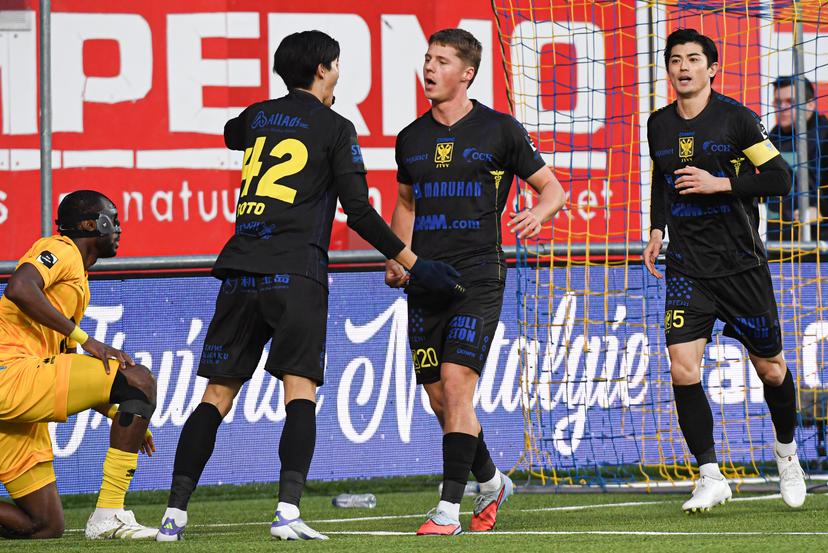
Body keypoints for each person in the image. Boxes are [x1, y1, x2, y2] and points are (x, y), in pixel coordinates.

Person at [157, 30, 464, 542]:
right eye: (337, 65)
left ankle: (173, 517)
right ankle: (286, 513)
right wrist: (412, 259)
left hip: (239, 270)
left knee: (216, 394)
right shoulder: (337, 128)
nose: (339, 74)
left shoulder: (259, 115)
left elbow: (233, 131)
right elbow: (360, 211)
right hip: (295, 271)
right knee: (299, 391)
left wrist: (265, 118)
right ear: (322, 69)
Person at [385, 28, 565, 535]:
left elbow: (552, 189)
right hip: (424, 282)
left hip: (478, 277)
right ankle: (491, 481)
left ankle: (447, 511)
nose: (429, 69)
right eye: (427, 59)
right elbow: (404, 203)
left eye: (441, 61)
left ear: (466, 73)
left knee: (458, 385)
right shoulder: (411, 138)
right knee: (440, 400)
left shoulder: (500, 130)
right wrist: (397, 258)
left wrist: (539, 215)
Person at [642, 29, 807, 513]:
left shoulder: (736, 120)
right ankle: (710, 475)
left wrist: (720, 183)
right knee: (681, 365)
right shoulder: (658, 125)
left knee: (771, 370)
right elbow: (660, 177)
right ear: (669, 69)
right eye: (675, 60)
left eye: (694, 59)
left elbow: (779, 178)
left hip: (740, 266)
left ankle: (786, 456)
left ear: (712, 68)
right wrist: (656, 229)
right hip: (687, 268)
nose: (684, 67)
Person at [0, 190, 158, 539]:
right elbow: (19, 287)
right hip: (11, 376)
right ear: (91, 224)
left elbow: (67, 369)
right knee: (139, 378)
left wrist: (123, 413)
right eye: (113, 220)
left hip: (22, 391)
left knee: (44, 525)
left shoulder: (75, 281)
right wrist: (90, 340)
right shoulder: (61, 249)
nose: (118, 228)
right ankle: (109, 515)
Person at [767, 75, 828, 239]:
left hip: (818, 242)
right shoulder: (773, 136)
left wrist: (821, 210)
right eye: (778, 102)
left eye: (790, 102)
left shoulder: (825, 135)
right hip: (779, 241)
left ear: (810, 104)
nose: (782, 108)